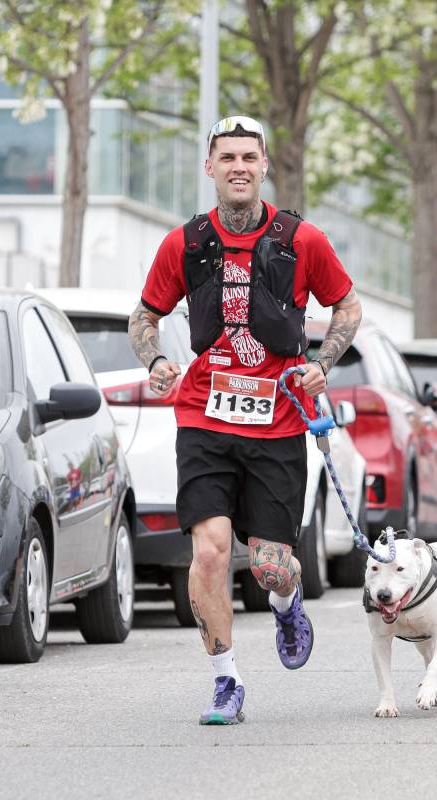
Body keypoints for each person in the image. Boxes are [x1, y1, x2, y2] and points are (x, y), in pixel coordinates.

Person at [128, 116, 362, 725]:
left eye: (248, 157)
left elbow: (347, 305)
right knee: (209, 553)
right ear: (210, 167)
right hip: (204, 419)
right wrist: (155, 360)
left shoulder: (302, 239)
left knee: (270, 567)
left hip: (278, 423)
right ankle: (225, 681)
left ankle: (287, 604)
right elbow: (144, 315)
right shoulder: (184, 243)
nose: (238, 167)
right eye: (227, 157)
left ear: (264, 167)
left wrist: (321, 364)